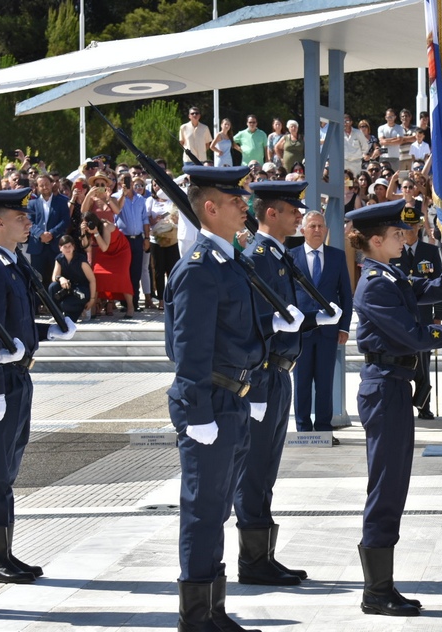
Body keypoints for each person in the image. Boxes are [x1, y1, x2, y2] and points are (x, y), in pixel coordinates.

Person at [164, 165, 305, 631]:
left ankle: (213, 608)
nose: (244, 206)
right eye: (235, 201)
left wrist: (269, 338)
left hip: (237, 400)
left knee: (219, 507)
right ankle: (198, 615)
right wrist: (195, 412)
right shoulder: (201, 268)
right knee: (204, 509)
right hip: (213, 404)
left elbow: (237, 333)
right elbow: (188, 349)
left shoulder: (231, 260)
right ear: (210, 207)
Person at [347, 199, 442, 616]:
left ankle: (383, 585)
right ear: (377, 241)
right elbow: (415, 334)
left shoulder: (389, 274)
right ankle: (376, 591)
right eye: (398, 235)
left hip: (394, 385)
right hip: (385, 387)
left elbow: (421, 292)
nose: (406, 238)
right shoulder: (376, 283)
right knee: (385, 486)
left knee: (393, 483)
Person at [236, 180, 340, 587]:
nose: (301, 215)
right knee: (254, 470)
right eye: (292, 209)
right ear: (271, 214)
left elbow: (286, 314)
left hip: (281, 371)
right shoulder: (258, 256)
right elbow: (250, 320)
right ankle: (252, 561)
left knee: (267, 470)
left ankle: (263, 555)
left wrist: (314, 319)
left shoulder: (278, 256)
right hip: (263, 375)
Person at [0, 188, 76, 585]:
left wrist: (47, 333)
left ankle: (4, 553)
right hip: (2, 385)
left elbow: (13, 328)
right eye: (19, 217)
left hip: (21, 378)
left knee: (8, 467)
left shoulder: (14, 266)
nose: (27, 221)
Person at [290, 211, 353, 441]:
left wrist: (344, 327)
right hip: (302, 331)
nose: (317, 230)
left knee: (325, 382)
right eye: (313, 226)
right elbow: (287, 295)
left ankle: (324, 430)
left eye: (320, 226)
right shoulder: (291, 256)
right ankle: (303, 430)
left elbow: (346, 294)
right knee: (302, 382)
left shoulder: (336, 257)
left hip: (329, 332)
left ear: (326, 230)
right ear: (303, 230)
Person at [389, 206, 442, 420]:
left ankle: (423, 404)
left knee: (423, 364)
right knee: (401, 363)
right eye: (405, 226)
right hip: (400, 318)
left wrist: (438, 315)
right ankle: (401, 407)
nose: (408, 230)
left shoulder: (430, 251)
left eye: (412, 226)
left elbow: (439, 285)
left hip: (423, 318)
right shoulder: (394, 252)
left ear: (419, 226)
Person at [81, 211, 134, 318]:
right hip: (105, 252)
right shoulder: (88, 229)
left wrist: (95, 232)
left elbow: (104, 247)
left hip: (121, 251)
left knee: (122, 276)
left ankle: (130, 307)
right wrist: (83, 232)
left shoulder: (105, 226)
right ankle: (93, 307)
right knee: (96, 274)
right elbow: (87, 248)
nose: (87, 226)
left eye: (88, 223)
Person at [26, 174, 71, 289]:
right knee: (37, 279)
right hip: (37, 247)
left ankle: (53, 305)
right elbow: (29, 222)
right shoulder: (32, 204)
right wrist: (40, 234)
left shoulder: (61, 202)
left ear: (52, 184)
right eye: (41, 185)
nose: (45, 187)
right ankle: (37, 305)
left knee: (55, 277)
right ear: (37, 187)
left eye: (47, 184)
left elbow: (65, 220)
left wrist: (52, 233)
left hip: (55, 245)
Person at [113, 176, 150, 312]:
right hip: (123, 239)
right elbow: (115, 214)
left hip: (138, 238)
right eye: (124, 181)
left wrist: (146, 238)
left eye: (129, 182)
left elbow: (145, 219)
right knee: (124, 271)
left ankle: (134, 302)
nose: (127, 184)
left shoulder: (140, 199)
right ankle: (124, 302)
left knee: (136, 272)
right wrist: (123, 195)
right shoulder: (116, 197)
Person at [48, 235, 96, 321]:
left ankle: (83, 310)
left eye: (69, 246)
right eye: (65, 247)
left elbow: (92, 280)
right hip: (68, 288)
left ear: (73, 247)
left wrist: (92, 300)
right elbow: (54, 277)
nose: (67, 249)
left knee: (65, 305)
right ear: (60, 248)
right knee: (53, 287)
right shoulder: (59, 259)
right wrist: (61, 278)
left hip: (81, 289)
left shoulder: (81, 260)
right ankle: (57, 315)